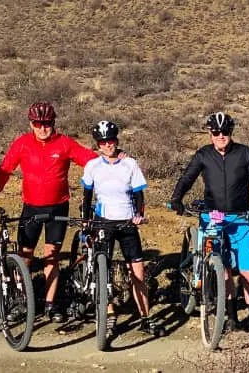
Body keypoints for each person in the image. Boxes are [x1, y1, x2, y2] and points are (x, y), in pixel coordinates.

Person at [0, 102, 97, 323]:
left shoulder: (64, 143)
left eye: (46, 123)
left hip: (58, 206)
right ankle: (21, 302)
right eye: (37, 123)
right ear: (31, 123)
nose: (42, 128)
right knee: (25, 256)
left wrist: (115, 158)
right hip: (31, 207)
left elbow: (91, 160)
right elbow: (5, 169)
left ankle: (50, 304)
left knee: (52, 255)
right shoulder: (22, 143)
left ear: (53, 122)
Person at [169, 111, 249, 343]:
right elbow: (187, 178)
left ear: (231, 132)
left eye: (225, 132)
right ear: (210, 133)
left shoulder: (245, 153)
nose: (221, 136)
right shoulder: (203, 154)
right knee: (222, 273)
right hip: (212, 218)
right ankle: (231, 319)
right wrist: (176, 198)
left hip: (241, 220)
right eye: (216, 132)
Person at [79, 120, 164, 337]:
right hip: (104, 221)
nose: (108, 145)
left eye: (111, 141)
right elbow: (87, 195)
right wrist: (86, 219)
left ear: (117, 141)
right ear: (98, 145)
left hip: (127, 222)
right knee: (103, 270)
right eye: (103, 142)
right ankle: (108, 315)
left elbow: (138, 194)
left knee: (138, 272)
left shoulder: (130, 164)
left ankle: (145, 317)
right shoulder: (92, 166)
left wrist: (139, 215)